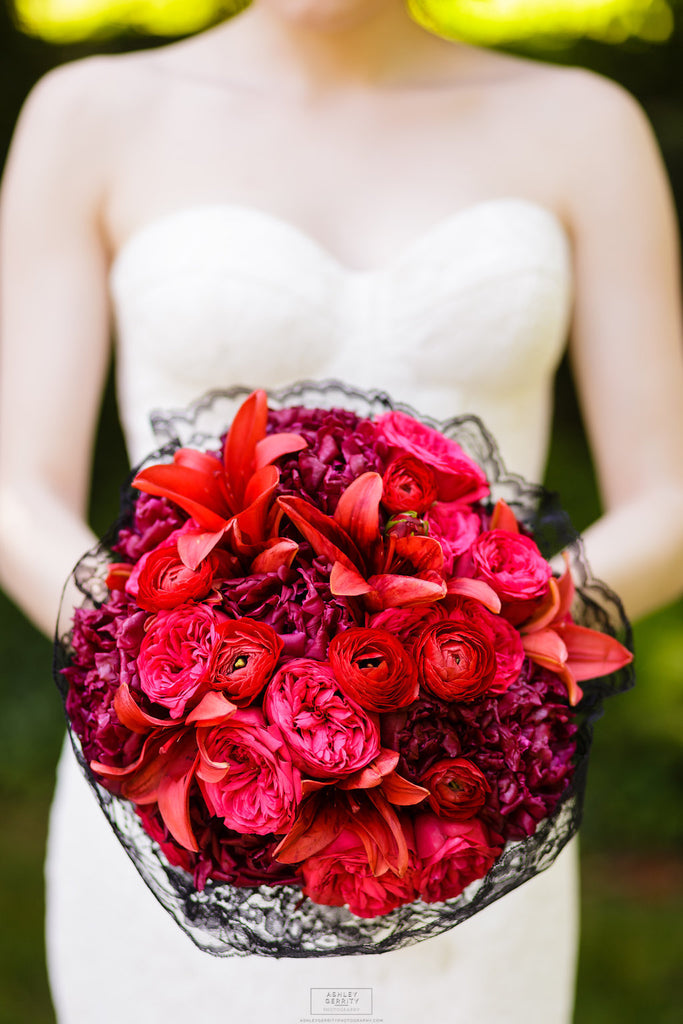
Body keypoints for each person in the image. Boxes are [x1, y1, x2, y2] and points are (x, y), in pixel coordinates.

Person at [1, 1, 682, 1021]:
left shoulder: (583, 125)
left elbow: (669, 487)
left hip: (461, 792)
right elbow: (16, 485)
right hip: (191, 790)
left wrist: (487, 651)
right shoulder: (89, 113)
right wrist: (171, 675)